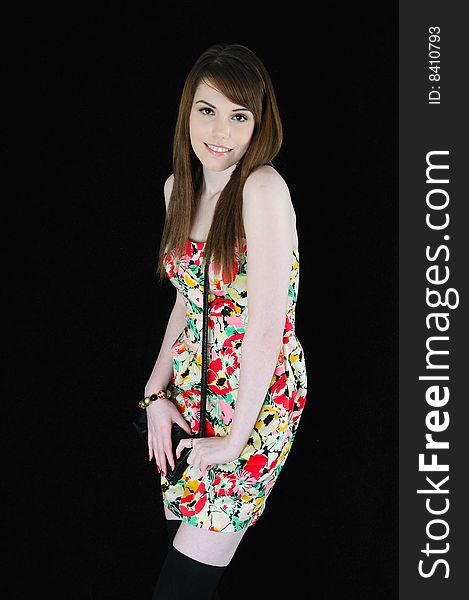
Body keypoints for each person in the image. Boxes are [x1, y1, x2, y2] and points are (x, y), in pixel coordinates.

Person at [142, 42, 308, 599]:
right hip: (194, 392)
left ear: (258, 124)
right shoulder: (177, 189)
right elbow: (190, 300)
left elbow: (266, 326)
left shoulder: (261, 188)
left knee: (182, 585)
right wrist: (154, 391)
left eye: (239, 116)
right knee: (186, 565)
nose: (221, 130)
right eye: (208, 109)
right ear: (188, 110)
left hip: (256, 402)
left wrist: (238, 437)